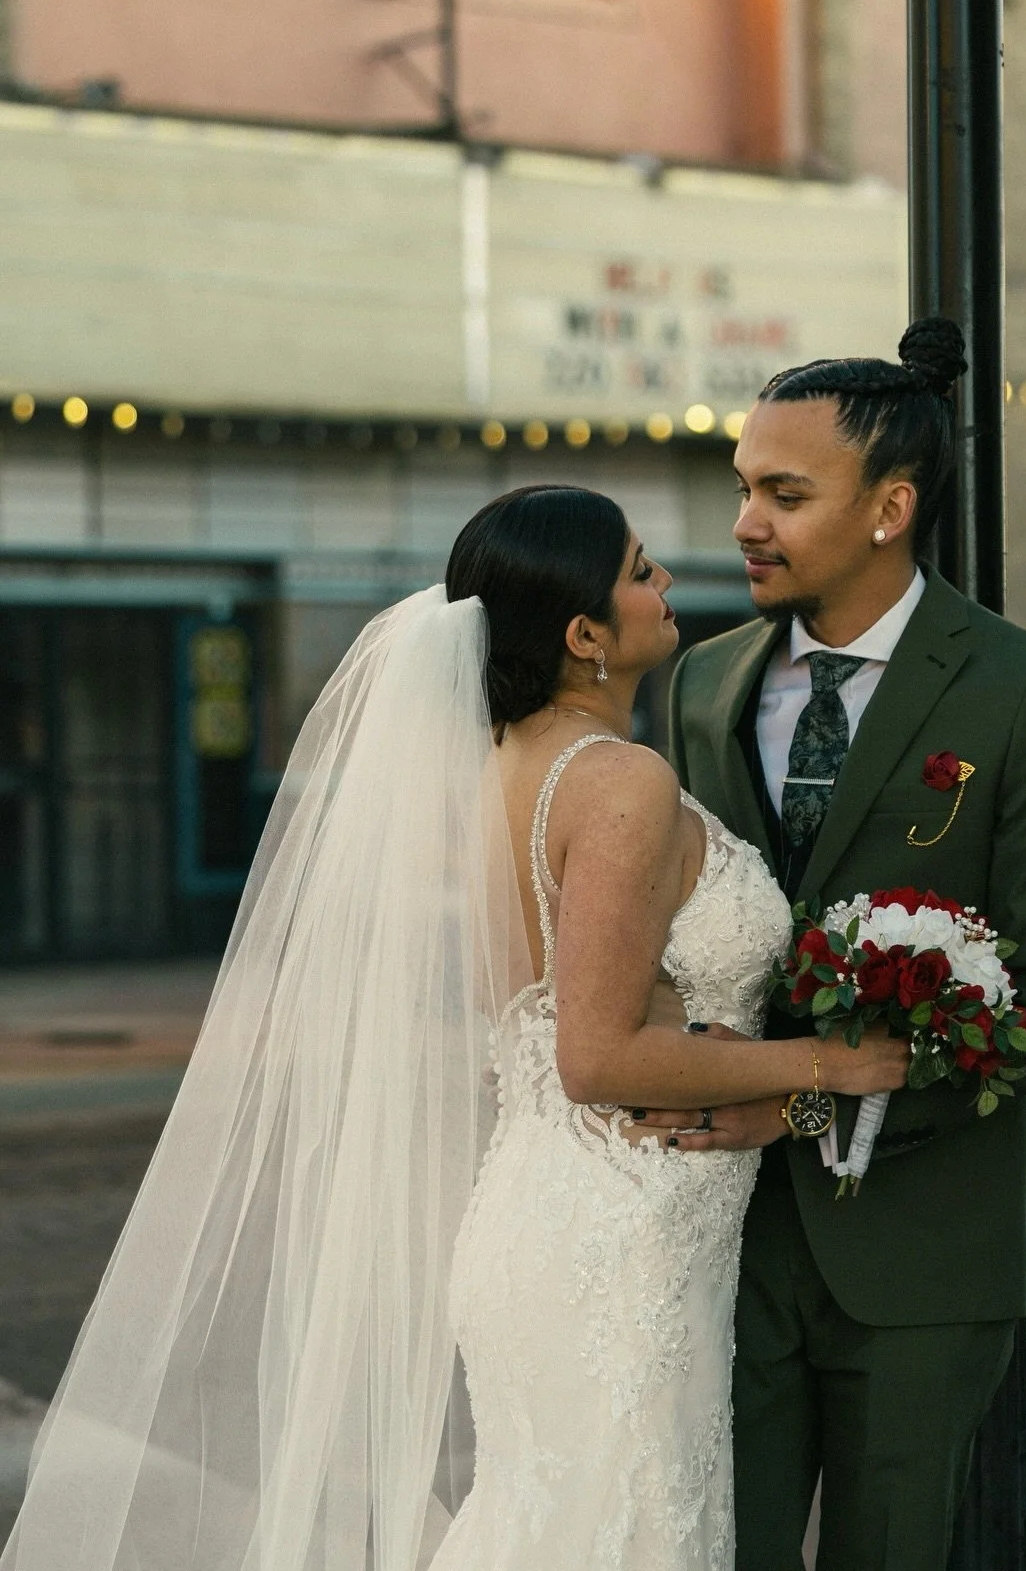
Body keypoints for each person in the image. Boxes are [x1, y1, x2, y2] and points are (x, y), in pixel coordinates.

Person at [1, 483, 906, 1571]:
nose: (666, 581)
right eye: (638, 569)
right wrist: (830, 1064)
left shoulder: (502, 775)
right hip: (618, 1243)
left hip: (568, 1217)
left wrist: (780, 1094)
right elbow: (597, 1055)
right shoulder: (620, 780)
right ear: (583, 635)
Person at [666, 317, 1026, 1571]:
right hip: (726, 1238)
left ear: (890, 507)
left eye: (785, 494)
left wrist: (801, 1112)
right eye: (745, 489)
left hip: (928, 1247)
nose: (748, 521)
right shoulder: (701, 686)